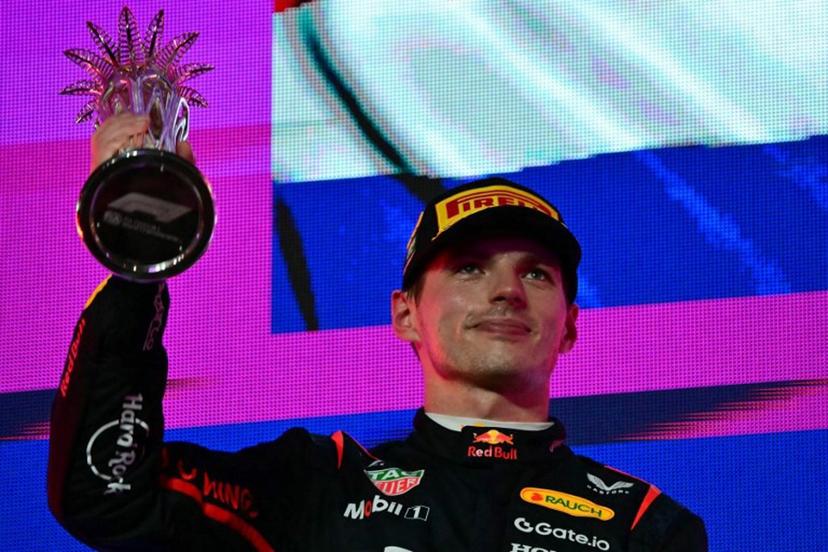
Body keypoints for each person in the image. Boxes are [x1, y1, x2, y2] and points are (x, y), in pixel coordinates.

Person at [48, 114, 707, 551]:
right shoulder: (317, 486)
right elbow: (108, 497)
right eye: (471, 267)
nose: (506, 290)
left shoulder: (645, 527)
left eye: (536, 274)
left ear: (569, 327)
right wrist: (137, 275)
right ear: (404, 315)